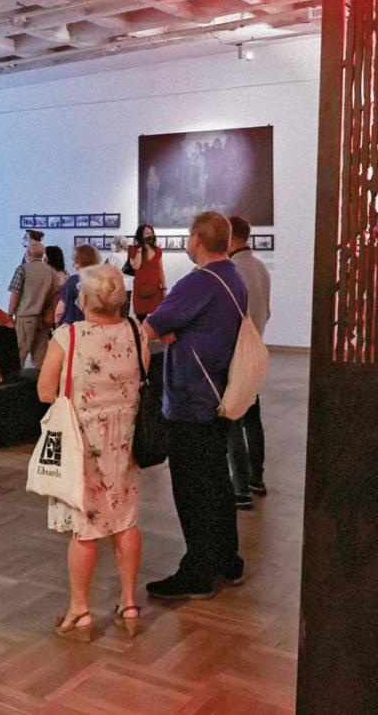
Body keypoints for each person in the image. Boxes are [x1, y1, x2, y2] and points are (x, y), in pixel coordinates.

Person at [37, 264, 148, 642]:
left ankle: (80, 609)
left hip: (83, 443)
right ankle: (129, 602)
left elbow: (45, 391)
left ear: (83, 299)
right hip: (125, 442)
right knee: (126, 520)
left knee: (85, 528)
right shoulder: (136, 332)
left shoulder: (68, 336)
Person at [142, 212, 247, 600]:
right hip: (218, 395)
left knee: (192, 489)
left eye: (189, 236)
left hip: (191, 399)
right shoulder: (234, 276)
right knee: (217, 483)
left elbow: (151, 327)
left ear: (198, 239)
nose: (187, 243)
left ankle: (198, 572)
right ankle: (226, 560)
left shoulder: (199, 281)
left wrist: (170, 331)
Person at [226, 216, 272, 508]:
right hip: (256, 352)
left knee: (233, 419)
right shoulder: (260, 268)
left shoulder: (232, 270)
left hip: (236, 355)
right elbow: (266, 311)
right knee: (252, 418)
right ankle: (257, 478)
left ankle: (240, 488)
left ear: (230, 237)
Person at [9, 240, 55, 368]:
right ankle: (38, 379)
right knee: (40, 356)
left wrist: (9, 314)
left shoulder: (22, 269)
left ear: (28, 253)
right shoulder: (50, 271)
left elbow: (15, 294)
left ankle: (16, 379)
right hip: (43, 318)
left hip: (25, 317)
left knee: (20, 353)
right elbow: (53, 294)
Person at [127, 224, 166, 320]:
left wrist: (164, 288)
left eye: (151, 233)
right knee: (140, 318)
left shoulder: (158, 250)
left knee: (157, 318)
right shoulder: (133, 249)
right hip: (140, 290)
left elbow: (160, 270)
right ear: (141, 235)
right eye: (147, 233)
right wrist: (140, 249)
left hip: (155, 290)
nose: (150, 235)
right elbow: (136, 266)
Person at [55, 244, 101, 326]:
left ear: (81, 262)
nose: (73, 265)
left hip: (71, 325)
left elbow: (60, 309)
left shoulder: (72, 281)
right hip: (94, 325)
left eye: (76, 262)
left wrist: (57, 323)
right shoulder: (101, 281)